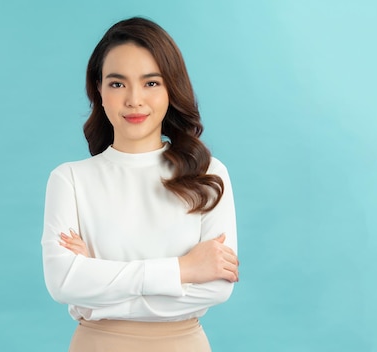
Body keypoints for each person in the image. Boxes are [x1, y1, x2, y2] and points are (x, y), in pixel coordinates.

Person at [41, 17, 239, 352]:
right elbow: (62, 283)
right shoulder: (70, 179)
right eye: (118, 84)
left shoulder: (208, 175)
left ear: (170, 89)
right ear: (98, 90)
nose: (134, 99)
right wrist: (183, 269)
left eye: (151, 83)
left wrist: (98, 292)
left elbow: (217, 289)